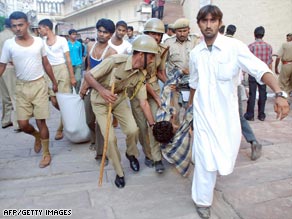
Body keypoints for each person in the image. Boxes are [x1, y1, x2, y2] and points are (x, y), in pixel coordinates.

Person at [188, 5, 289, 219]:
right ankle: (202, 201)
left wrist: (279, 93)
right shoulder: (195, 53)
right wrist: (188, 110)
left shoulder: (234, 47)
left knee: (224, 156)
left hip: (227, 118)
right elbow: (194, 84)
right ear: (199, 24)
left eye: (212, 20)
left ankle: (202, 166)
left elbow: (260, 69)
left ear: (219, 23)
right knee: (206, 158)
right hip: (203, 114)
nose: (208, 25)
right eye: (204, 21)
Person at [84, 35, 158, 188]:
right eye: (150, 57)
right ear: (141, 54)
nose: (152, 61)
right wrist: (102, 90)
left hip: (118, 101)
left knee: (133, 130)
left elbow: (143, 102)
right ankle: (119, 172)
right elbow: (88, 75)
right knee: (110, 139)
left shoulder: (140, 74)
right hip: (100, 102)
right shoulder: (115, 61)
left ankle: (131, 154)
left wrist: (153, 125)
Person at [0, 11, 58, 168]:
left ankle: (46, 153)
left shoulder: (39, 42)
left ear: (27, 24)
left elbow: (46, 63)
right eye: (14, 26)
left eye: (20, 25)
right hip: (21, 87)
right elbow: (2, 65)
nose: (18, 28)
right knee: (23, 124)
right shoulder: (9, 44)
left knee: (41, 121)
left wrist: (53, 81)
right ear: (11, 27)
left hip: (39, 85)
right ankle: (36, 136)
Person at [130, 18, 168, 173]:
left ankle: (157, 157)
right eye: (152, 33)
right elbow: (139, 78)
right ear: (145, 33)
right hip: (137, 89)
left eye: (158, 34)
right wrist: (157, 96)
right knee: (142, 127)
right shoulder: (137, 48)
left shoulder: (163, 49)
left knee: (155, 124)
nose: (156, 37)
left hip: (153, 88)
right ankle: (148, 154)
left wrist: (171, 85)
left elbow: (160, 72)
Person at [79, 18, 117, 161]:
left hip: (102, 89)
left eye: (105, 32)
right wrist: (83, 86)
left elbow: (107, 74)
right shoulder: (89, 46)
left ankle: (101, 153)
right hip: (89, 87)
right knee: (89, 120)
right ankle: (94, 140)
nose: (101, 34)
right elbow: (88, 68)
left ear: (110, 34)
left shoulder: (112, 53)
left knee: (101, 122)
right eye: (99, 31)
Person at [224, 24, 262, 160]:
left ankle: (252, 142)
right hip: (236, 86)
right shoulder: (239, 44)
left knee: (233, 117)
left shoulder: (223, 46)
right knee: (236, 117)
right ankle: (252, 141)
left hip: (230, 88)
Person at [38, 19, 77, 140]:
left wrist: (72, 76)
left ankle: (60, 128)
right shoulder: (41, 42)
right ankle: (68, 113)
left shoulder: (61, 40)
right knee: (54, 100)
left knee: (64, 100)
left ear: (47, 28)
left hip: (62, 70)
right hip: (49, 72)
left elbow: (68, 59)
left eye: (40, 28)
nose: (39, 31)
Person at [164, 18, 200, 125]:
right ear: (175, 32)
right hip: (175, 87)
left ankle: (190, 138)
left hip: (192, 86)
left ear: (189, 30)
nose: (182, 34)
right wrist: (168, 82)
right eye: (179, 31)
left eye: (185, 31)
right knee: (174, 116)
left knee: (192, 115)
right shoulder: (168, 43)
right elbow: (162, 65)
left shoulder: (195, 41)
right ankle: (176, 139)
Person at [244, 26, 273, 121]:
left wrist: (244, 72)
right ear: (263, 35)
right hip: (264, 73)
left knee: (252, 94)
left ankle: (250, 114)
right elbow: (269, 62)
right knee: (262, 94)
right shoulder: (268, 47)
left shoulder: (251, 46)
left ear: (254, 35)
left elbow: (247, 61)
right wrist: (270, 74)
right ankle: (261, 115)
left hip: (253, 73)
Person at [108, 20, 132, 127]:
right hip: (107, 73)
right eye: (119, 30)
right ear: (115, 30)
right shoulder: (108, 42)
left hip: (119, 76)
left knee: (116, 97)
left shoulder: (127, 45)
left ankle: (115, 117)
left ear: (126, 32)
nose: (121, 32)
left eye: (123, 31)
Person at [0, 18, 18, 131]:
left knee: (5, 96)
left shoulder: (0, 35)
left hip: (1, 68)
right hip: (10, 68)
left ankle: (6, 120)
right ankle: (18, 123)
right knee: (15, 95)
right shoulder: (13, 37)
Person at [275, 32, 292, 96]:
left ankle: (283, 96)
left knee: (283, 82)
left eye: (288, 36)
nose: (287, 38)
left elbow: (278, 57)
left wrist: (276, 67)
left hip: (286, 65)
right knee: (290, 84)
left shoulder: (285, 45)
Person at [67, 29, 83, 93]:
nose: (75, 36)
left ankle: (77, 92)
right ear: (69, 35)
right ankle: (70, 92)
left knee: (78, 79)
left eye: (75, 34)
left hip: (78, 64)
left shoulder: (79, 44)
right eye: (73, 34)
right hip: (69, 64)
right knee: (69, 80)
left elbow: (80, 53)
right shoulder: (66, 44)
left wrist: (81, 62)